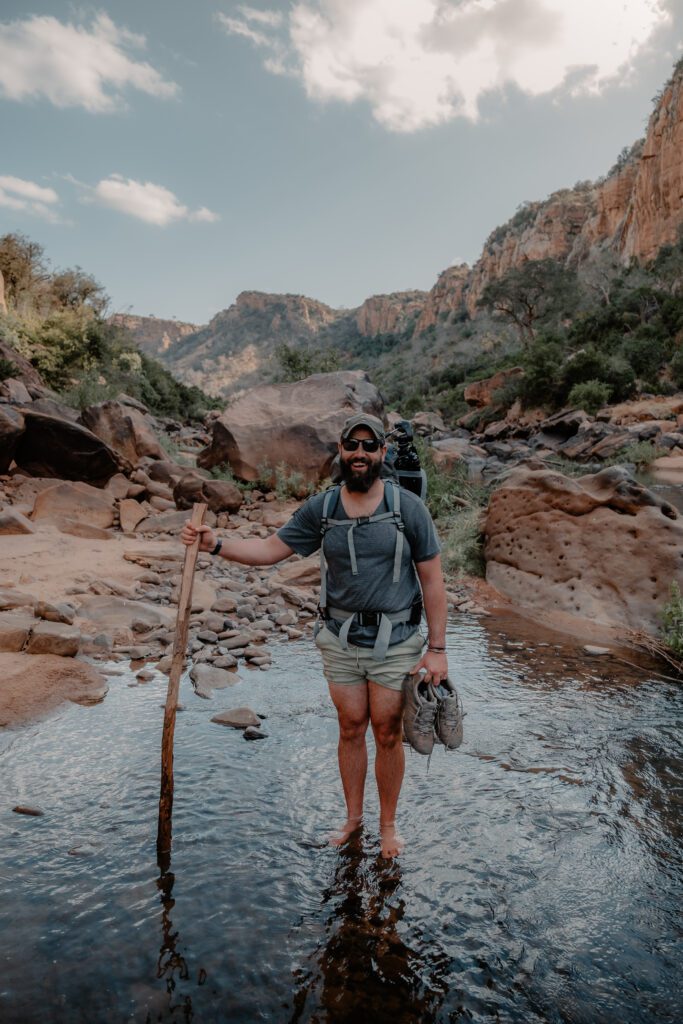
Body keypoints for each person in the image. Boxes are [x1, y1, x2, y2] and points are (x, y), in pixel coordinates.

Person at [181, 413, 449, 858]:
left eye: (369, 446)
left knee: (386, 733)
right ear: (340, 452)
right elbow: (270, 550)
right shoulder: (322, 510)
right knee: (350, 727)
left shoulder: (408, 509)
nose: (359, 454)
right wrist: (216, 544)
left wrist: (437, 649)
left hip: (397, 641)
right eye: (352, 446)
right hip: (340, 640)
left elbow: (433, 582)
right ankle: (352, 820)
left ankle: (387, 827)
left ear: (383, 453)